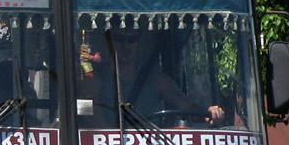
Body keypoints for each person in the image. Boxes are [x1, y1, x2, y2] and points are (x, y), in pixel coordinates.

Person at [80, 28, 224, 126]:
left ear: (138, 43)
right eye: (119, 39)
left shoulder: (157, 79)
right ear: (109, 42)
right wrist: (114, 142)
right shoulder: (92, 80)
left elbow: (187, 107)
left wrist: (209, 112)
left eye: (132, 39)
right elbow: (87, 114)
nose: (126, 45)